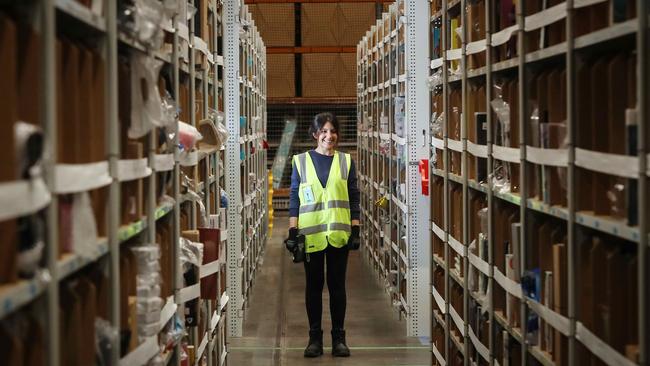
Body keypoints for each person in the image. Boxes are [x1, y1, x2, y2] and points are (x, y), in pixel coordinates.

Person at [284, 112, 361, 358]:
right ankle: (314, 338)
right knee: (314, 287)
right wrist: (293, 231)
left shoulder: (346, 161)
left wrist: (356, 228)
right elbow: (294, 197)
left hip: (338, 234)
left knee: (337, 287)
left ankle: (339, 338)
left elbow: (353, 196)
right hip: (311, 234)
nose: (329, 136)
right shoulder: (300, 161)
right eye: (324, 131)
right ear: (315, 134)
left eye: (333, 131)